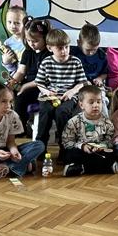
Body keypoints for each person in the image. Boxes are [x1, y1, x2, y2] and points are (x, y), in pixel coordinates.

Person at [34, 29, 88, 161]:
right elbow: (39, 83)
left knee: (62, 112)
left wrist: (71, 92)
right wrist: (47, 92)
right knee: (45, 112)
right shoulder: (46, 62)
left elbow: (82, 83)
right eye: (60, 48)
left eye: (66, 47)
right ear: (50, 48)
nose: (64, 51)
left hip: (68, 96)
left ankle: (64, 149)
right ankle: (40, 147)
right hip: (49, 96)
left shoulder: (75, 62)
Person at [61, 85, 118, 176]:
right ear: (81, 105)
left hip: (99, 152)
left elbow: (110, 140)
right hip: (82, 152)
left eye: (98, 102)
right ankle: (103, 167)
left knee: (114, 152)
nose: (96, 105)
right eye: (91, 102)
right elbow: (67, 142)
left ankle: (81, 168)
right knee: (69, 154)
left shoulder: (107, 122)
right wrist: (82, 146)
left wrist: (101, 146)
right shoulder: (73, 122)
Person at [10, 17, 51, 134]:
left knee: (21, 98)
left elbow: (44, 78)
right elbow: (21, 72)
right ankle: (11, 125)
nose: (32, 44)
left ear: (45, 38)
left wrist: (25, 86)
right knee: (8, 94)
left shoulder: (49, 54)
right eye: (28, 40)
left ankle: (20, 129)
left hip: (42, 87)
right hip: (28, 83)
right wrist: (12, 82)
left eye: (35, 41)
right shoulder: (27, 52)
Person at [70, 24, 110, 114]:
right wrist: (82, 82)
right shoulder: (73, 54)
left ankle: (105, 121)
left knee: (101, 100)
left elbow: (105, 73)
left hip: (96, 86)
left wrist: (100, 78)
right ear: (79, 43)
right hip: (78, 86)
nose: (91, 53)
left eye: (94, 49)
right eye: (88, 50)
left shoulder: (102, 55)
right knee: (80, 103)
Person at [0, 5, 27, 76]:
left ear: (25, 23)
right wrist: (6, 62)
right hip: (17, 76)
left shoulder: (29, 40)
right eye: (9, 22)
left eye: (17, 23)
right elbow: (12, 69)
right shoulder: (7, 43)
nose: (13, 26)